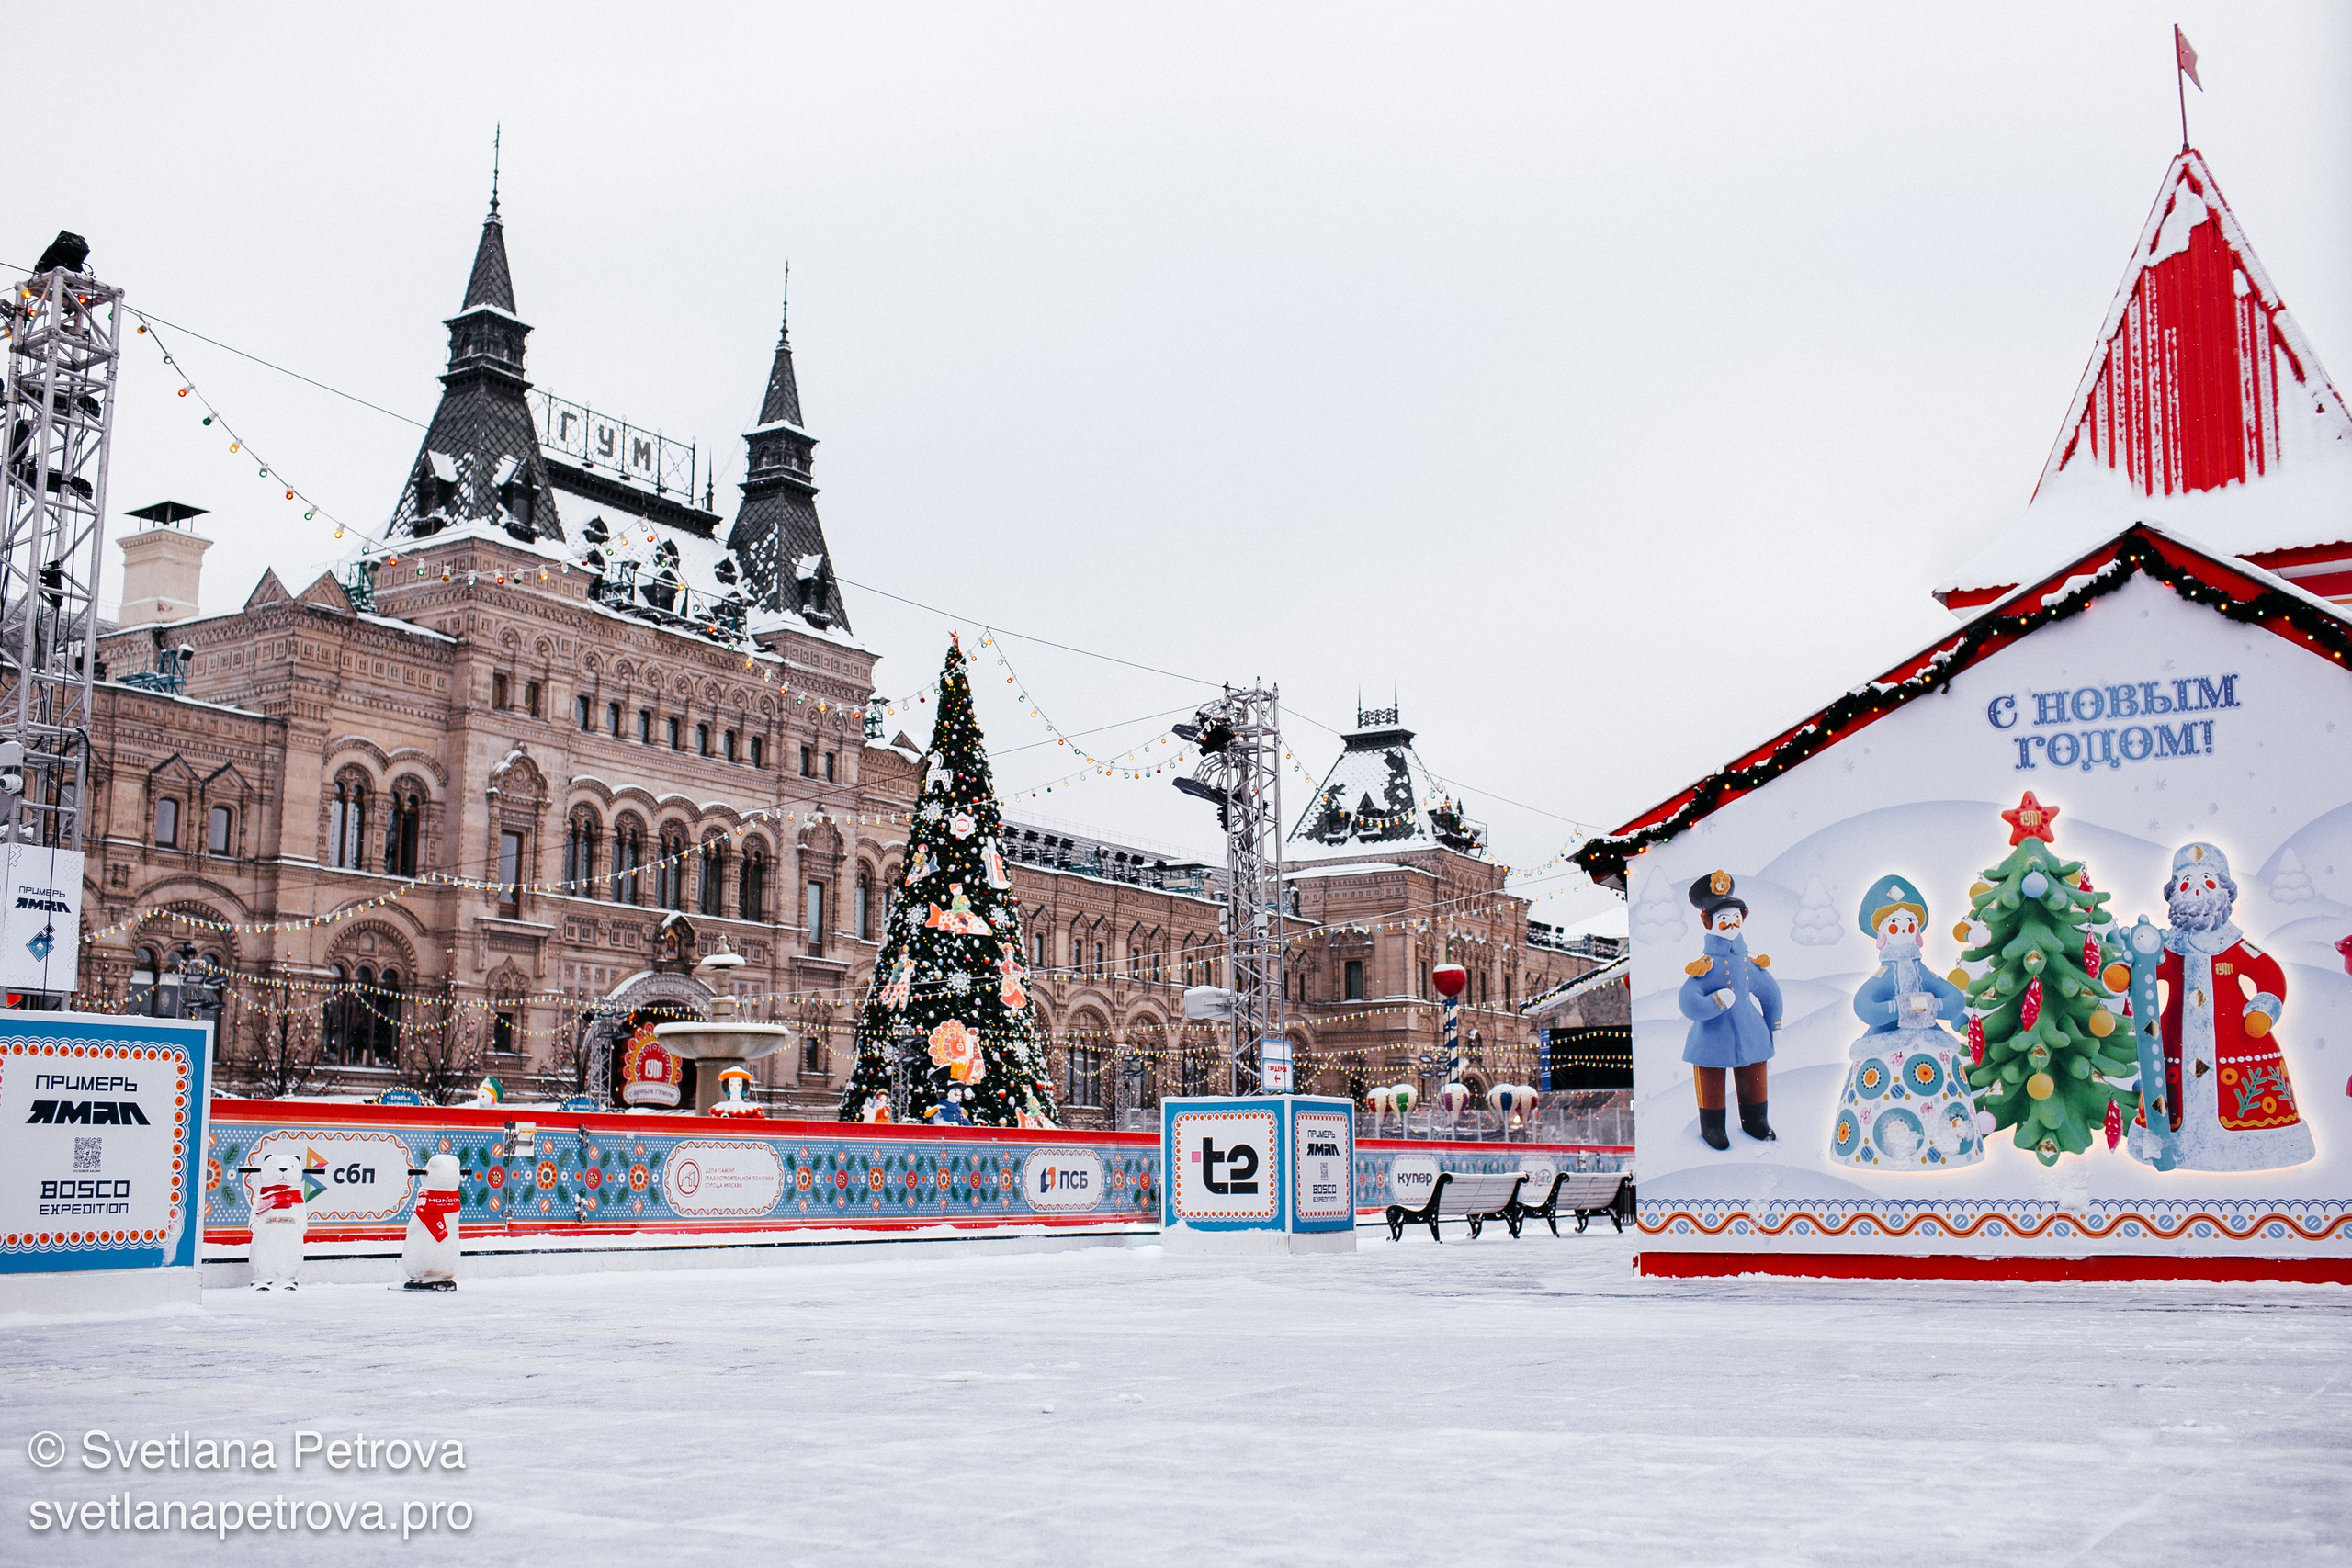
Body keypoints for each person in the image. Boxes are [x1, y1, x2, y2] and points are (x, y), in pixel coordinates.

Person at [2132, 842, 2313, 1171]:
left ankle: (2252, 1146)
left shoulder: (2236, 946)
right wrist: (2124, 973)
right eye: (2185, 883)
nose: (2196, 889)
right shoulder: (2169, 948)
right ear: (2174, 893)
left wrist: (2262, 1009)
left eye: (2206, 880)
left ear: (2225, 891)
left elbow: (2269, 975)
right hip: (2175, 1041)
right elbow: (2147, 970)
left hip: (2237, 1042)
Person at [1831, 875, 1984, 1170]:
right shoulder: (1882, 976)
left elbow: (1953, 1000)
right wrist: (1898, 1008)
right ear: (1882, 935)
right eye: (1895, 925)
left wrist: (1934, 1005)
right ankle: (1888, 1147)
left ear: (1917, 934)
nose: (1903, 929)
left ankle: (1948, 1144)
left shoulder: (1925, 973)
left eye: (1909, 924)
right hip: (1885, 1049)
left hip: (1931, 1044)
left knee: (1939, 1096)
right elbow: (1864, 1006)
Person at [1677, 870, 1781, 1149]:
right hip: (1712, 1035)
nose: (1731, 923)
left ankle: (1756, 1120)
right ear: (1709, 922)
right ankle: (1712, 1126)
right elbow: (1688, 999)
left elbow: (1769, 992)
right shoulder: (1707, 965)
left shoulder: (1748, 962)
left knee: (1754, 1073)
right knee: (1711, 1076)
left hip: (1751, 1031)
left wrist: (1775, 1024)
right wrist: (1715, 1003)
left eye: (1735, 917)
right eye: (1724, 919)